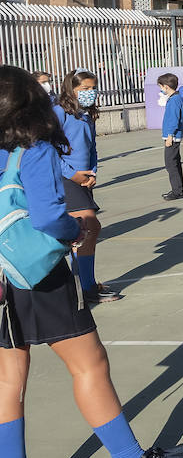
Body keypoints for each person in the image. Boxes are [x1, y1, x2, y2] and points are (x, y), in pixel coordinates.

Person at [0, 65, 183, 458]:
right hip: (39, 274)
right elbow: (50, 217)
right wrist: (76, 229)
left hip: (3, 275)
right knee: (89, 365)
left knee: (10, 381)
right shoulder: (32, 149)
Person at [54, 70, 118, 304]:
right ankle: (83, 288)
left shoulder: (86, 116)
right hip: (66, 181)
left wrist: (92, 173)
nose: (90, 93)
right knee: (89, 227)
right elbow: (50, 151)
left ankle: (85, 285)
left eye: (93, 89)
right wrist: (73, 175)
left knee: (87, 232)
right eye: (84, 90)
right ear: (71, 90)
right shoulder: (58, 113)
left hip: (83, 181)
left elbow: (92, 149)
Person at [157, 73, 183, 201]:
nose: (161, 89)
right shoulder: (175, 97)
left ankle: (177, 191)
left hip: (172, 137)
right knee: (175, 163)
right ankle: (178, 188)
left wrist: (170, 136)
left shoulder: (174, 100)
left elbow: (174, 119)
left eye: (161, 87)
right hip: (173, 135)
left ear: (166, 86)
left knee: (170, 164)